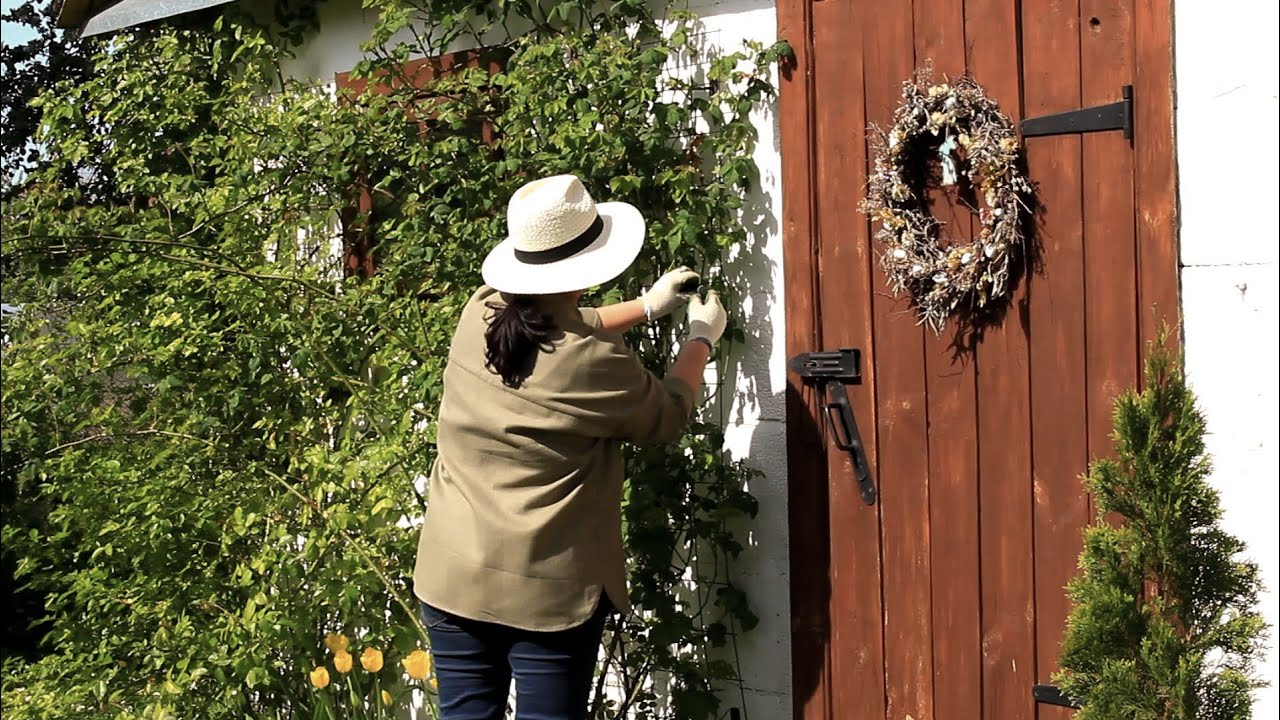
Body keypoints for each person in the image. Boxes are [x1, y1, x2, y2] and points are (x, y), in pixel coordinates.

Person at [411, 174, 727, 720]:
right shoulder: (594, 364)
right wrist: (700, 338)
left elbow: (558, 324)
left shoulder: (481, 311)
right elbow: (669, 413)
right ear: (587, 265)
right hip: (545, 593)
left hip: (452, 574)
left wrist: (646, 306)